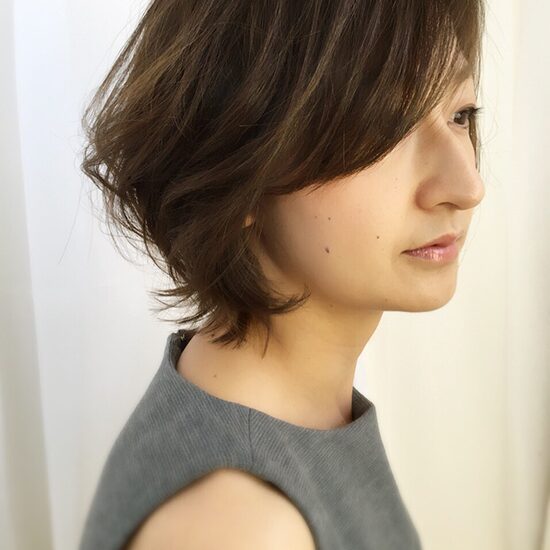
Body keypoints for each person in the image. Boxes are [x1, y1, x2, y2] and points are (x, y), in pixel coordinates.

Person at [78, 1, 486, 548]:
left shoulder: (281, 409)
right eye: (385, 129)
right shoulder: (246, 527)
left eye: (460, 114)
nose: (467, 185)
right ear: (239, 167)